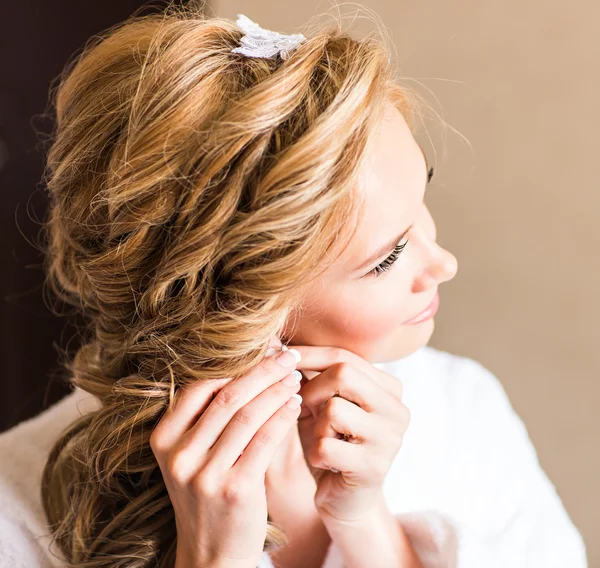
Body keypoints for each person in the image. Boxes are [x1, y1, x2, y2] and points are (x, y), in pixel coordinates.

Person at [0, 4, 588, 568]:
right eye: (387, 258)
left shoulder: (465, 410)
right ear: (241, 313)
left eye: (421, 203)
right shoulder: (14, 511)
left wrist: (365, 525)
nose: (444, 264)